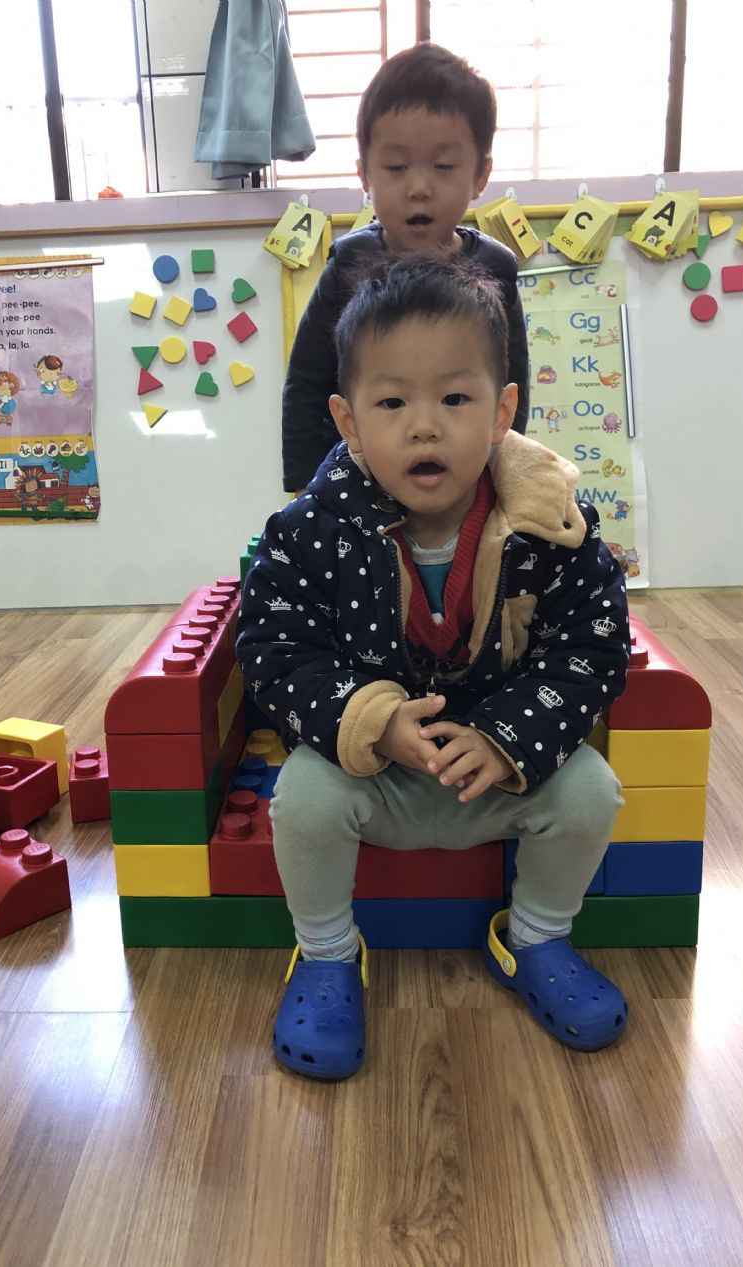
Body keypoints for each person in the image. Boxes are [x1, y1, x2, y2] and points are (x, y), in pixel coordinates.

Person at [237, 253, 630, 1080]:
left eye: (454, 399)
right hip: (373, 774)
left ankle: (536, 937)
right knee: (302, 796)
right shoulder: (308, 532)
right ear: (348, 422)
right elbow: (274, 653)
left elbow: (593, 647)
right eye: (392, 403)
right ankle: (328, 953)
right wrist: (372, 721)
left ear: (502, 411)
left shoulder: (552, 525)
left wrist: (506, 737)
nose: (424, 426)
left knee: (592, 790)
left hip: (504, 775)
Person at [281, 42, 531, 496]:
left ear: (480, 175)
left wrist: (507, 476)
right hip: (355, 482)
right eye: (396, 167)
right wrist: (303, 486)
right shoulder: (347, 266)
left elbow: (511, 386)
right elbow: (306, 383)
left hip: (464, 482)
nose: (418, 187)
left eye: (443, 166)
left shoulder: (495, 269)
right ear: (364, 175)